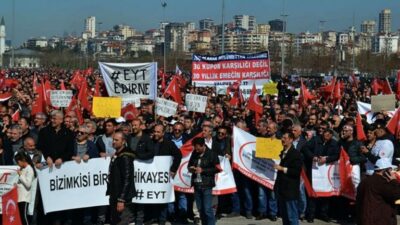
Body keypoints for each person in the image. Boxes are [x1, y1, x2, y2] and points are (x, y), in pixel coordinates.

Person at [356, 158, 400, 225]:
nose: (392, 173)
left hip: (364, 219)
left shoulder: (364, 181)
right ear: (386, 171)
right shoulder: (382, 182)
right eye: (391, 170)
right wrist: (394, 181)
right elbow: (397, 195)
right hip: (380, 220)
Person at [188, 137, 221, 225]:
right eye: (195, 148)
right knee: (200, 209)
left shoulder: (212, 154)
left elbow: (218, 169)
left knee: (207, 209)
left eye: (198, 148)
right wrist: (191, 168)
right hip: (196, 184)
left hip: (206, 184)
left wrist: (203, 170)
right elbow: (190, 164)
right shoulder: (194, 153)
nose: (197, 150)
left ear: (203, 145)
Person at [106, 132, 135, 225]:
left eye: (116, 140)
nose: (113, 142)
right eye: (113, 139)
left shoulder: (125, 156)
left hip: (122, 197)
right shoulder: (117, 154)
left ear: (123, 142)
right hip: (114, 194)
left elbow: (127, 178)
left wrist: (121, 199)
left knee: (122, 221)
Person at [274, 132, 302, 225]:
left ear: (291, 140)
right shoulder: (282, 153)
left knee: (292, 216)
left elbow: (296, 172)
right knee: (285, 216)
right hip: (282, 189)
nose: (283, 140)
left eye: (285, 138)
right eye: (282, 137)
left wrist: (282, 168)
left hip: (291, 190)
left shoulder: (296, 154)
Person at [15, 151, 37, 225]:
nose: (18, 164)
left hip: (25, 198)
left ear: (23, 160)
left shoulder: (29, 169)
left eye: (18, 162)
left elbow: (28, 184)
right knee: (21, 217)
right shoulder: (23, 169)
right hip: (20, 197)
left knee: (24, 218)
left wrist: (21, 175)